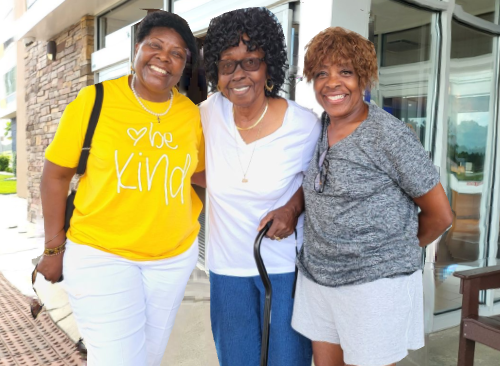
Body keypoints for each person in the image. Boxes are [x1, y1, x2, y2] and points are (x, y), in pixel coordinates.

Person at [37, 11, 204, 366]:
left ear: (184, 65)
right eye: (156, 46)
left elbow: (200, 176)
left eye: (177, 53)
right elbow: (54, 176)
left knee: (148, 356)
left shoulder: (191, 114)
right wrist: (53, 249)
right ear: (137, 49)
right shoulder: (94, 100)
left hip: (172, 260)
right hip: (102, 254)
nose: (165, 58)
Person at [291, 27, 453, 366]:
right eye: (321, 73)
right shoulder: (322, 126)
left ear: (364, 77)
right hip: (319, 277)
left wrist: (390, 254)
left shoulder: (388, 136)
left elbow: (440, 215)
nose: (332, 83)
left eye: (345, 72)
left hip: (374, 286)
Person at [192, 7, 320, 366]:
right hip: (226, 269)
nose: (238, 74)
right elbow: (188, 168)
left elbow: (319, 183)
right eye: (227, 64)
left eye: (251, 61)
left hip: (284, 268)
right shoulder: (205, 115)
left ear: (269, 66)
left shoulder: (303, 125)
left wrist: (292, 208)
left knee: (288, 360)